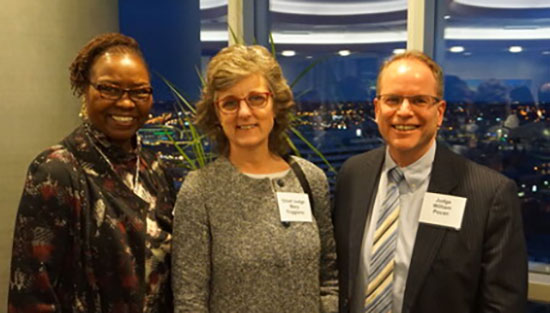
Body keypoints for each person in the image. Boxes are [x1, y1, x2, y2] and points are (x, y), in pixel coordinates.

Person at [333, 51, 527, 313]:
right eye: (393, 100)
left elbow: (502, 306)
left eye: (419, 100)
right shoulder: (353, 174)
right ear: (377, 109)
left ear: (439, 112)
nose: (404, 111)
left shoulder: (489, 194)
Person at [8, 33, 176, 313]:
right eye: (109, 89)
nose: (125, 103)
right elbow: (32, 291)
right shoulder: (57, 170)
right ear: (84, 90)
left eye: (139, 91)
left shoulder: (155, 171)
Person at [172, 44, 338, 313]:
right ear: (216, 113)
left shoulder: (309, 179)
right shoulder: (200, 191)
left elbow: (329, 277)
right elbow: (190, 300)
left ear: (275, 103)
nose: (244, 112)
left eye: (256, 98)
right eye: (230, 103)